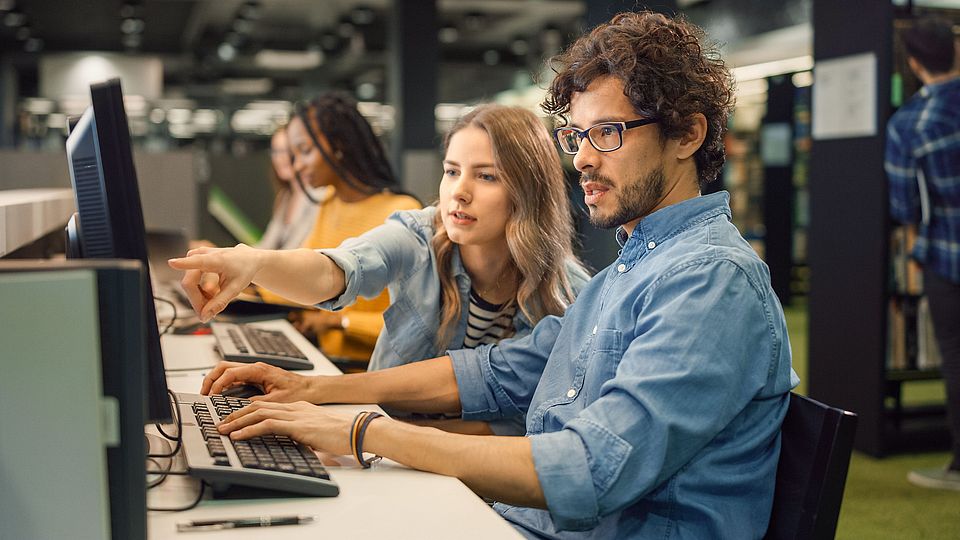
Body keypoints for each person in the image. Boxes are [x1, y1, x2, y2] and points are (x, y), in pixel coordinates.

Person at [172, 11, 796, 537]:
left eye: (606, 133)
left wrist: (366, 432)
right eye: (576, 135)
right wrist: (316, 393)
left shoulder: (709, 281)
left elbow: (587, 469)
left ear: (688, 134)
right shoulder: (632, 271)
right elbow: (496, 373)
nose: (581, 157)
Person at [172, 103, 591, 435]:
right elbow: (337, 270)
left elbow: (515, 427)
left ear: (528, 190)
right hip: (380, 442)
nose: (458, 192)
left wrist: (370, 429)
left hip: (472, 479)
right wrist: (255, 262)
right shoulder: (419, 235)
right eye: (451, 172)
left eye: (486, 176)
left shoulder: (567, 296)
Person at [260, 92, 422, 365]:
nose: (297, 166)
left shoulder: (402, 212)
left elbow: (418, 326)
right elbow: (304, 275)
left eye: (305, 151)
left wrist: (339, 320)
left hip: (366, 373)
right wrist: (244, 277)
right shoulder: (329, 203)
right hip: (325, 361)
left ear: (338, 146)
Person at [885, 16, 960, 492]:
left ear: (913, 63)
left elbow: (904, 205)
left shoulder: (909, 123)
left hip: (947, 258)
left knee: (955, 359)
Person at [256, 125, 322, 251]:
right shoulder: (285, 196)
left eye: (285, 150)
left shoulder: (317, 196)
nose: (279, 158)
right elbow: (266, 246)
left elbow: (297, 250)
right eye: (275, 151)